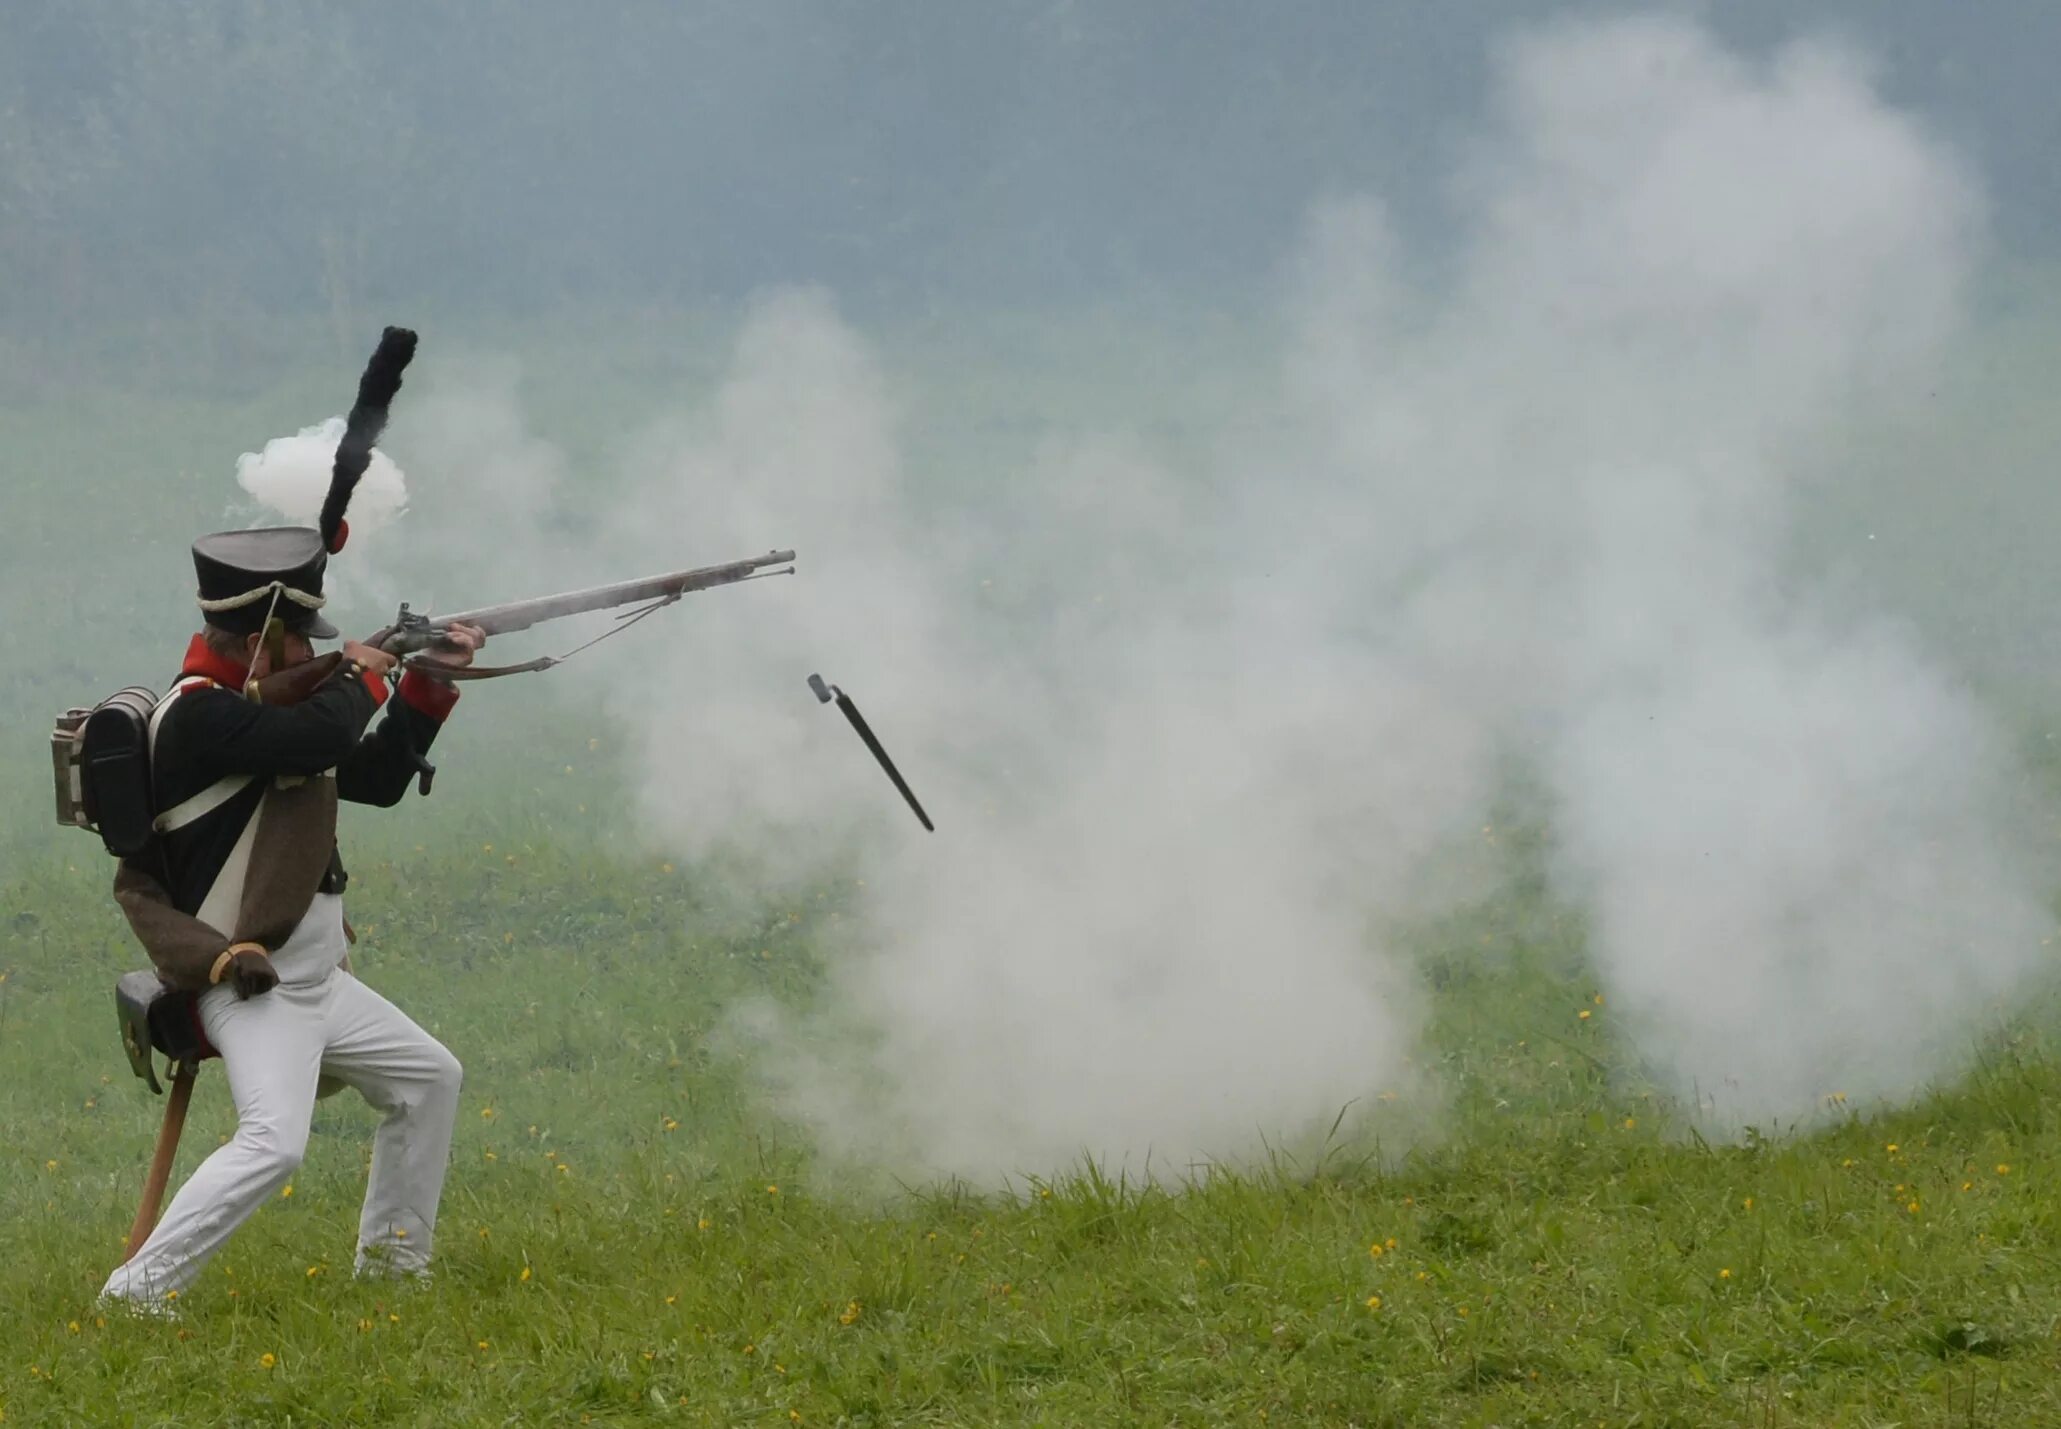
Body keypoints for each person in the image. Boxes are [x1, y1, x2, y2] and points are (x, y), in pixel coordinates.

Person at [100, 525, 485, 1310]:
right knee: (274, 1144)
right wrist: (367, 676)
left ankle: (392, 1270)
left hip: (317, 980)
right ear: (257, 646)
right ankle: (135, 1292)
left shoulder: (263, 716)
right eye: (294, 644)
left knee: (430, 1079)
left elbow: (370, 777)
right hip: (249, 984)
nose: (309, 654)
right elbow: (322, 731)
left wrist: (427, 684)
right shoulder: (199, 717)